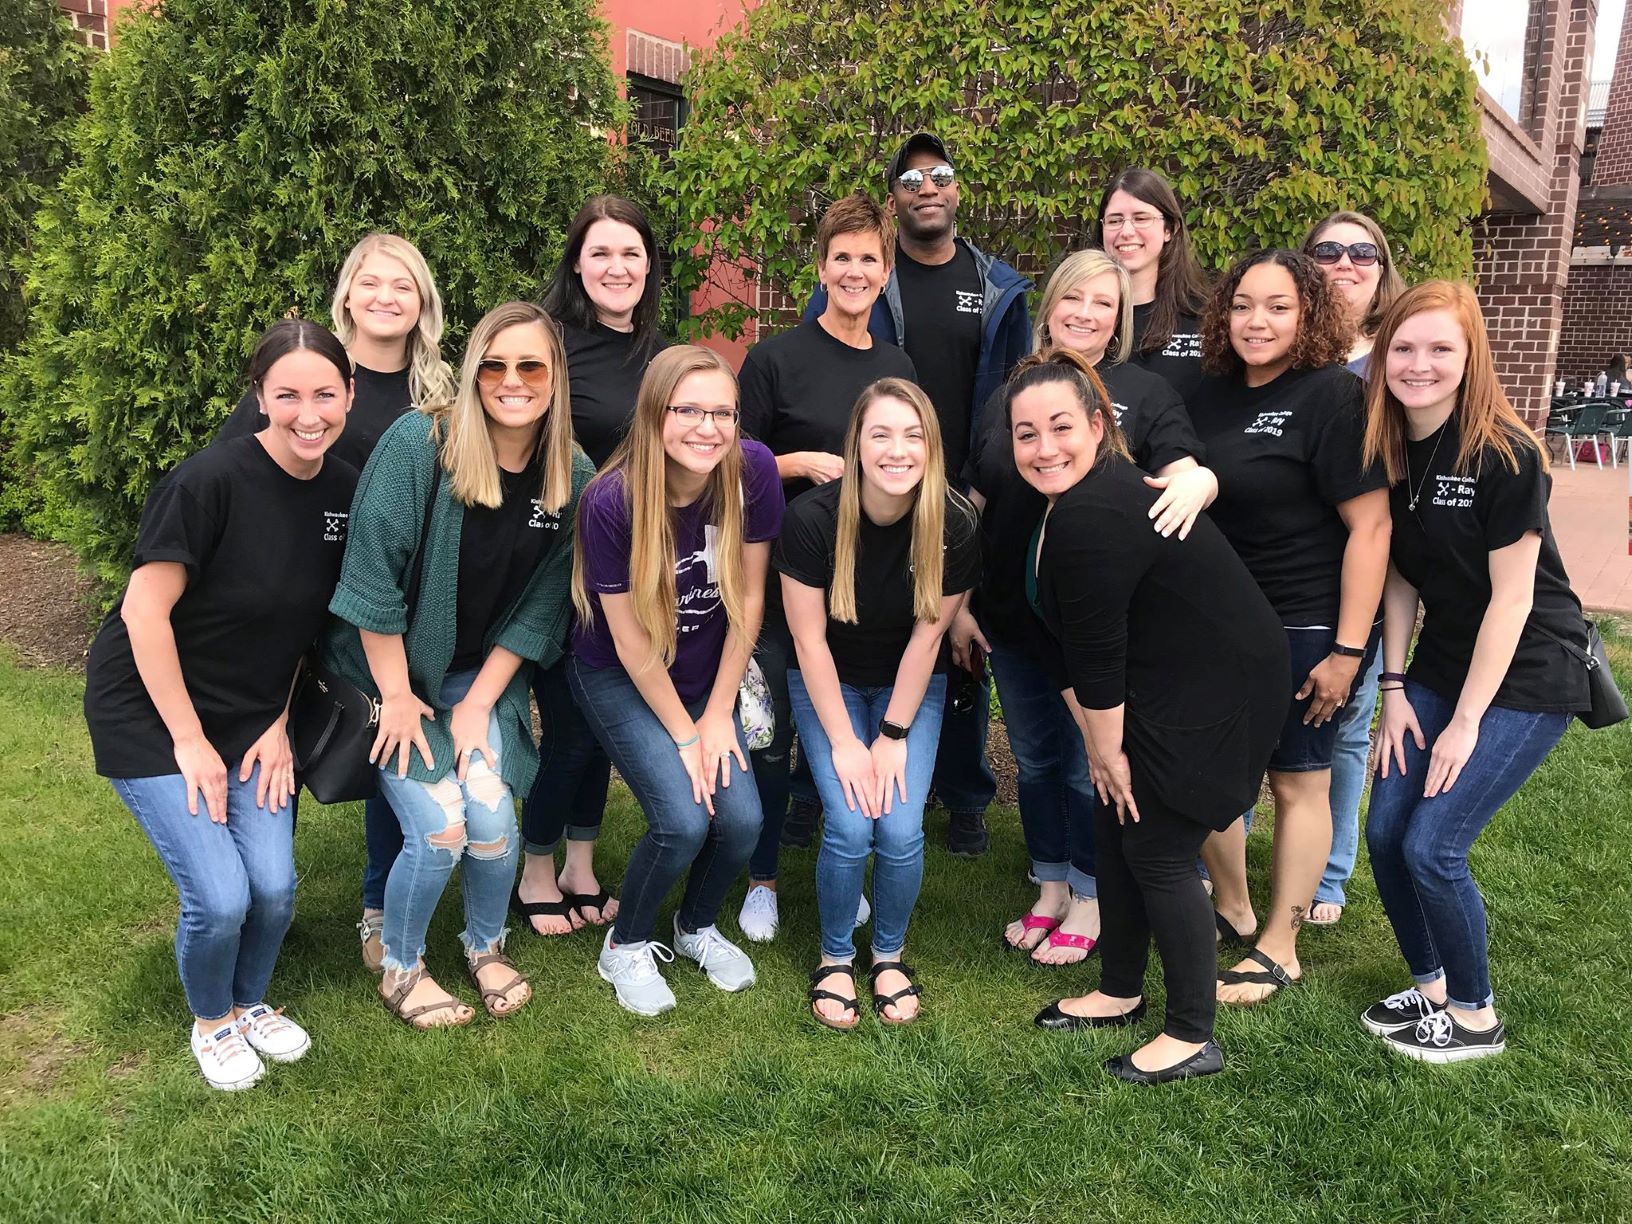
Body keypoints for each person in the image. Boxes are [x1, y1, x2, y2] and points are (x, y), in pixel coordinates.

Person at [84, 320, 360, 1089]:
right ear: (261, 399)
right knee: (220, 895)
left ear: (350, 396)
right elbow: (144, 614)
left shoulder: (344, 489)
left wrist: (276, 722)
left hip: (251, 715)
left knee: (273, 888)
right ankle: (212, 1022)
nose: (309, 413)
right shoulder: (208, 482)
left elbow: (308, 626)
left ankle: (250, 1001)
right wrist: (188, 741)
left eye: (325, 394)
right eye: (288, 395)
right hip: (151, 710)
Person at [1014, 349, 1289, 1083]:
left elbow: (1098, 656)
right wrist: (1105, 750)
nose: (1045, 448)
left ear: (1100, 426)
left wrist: (1107, 753)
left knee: (1160, 849)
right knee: (1116, 831)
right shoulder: (1072, 502)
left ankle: (1193, 1035)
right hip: (1171, 676)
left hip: (1219, 689)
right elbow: (1072, 644)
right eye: (1026, 434)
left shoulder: (1095, 511)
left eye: (1061, 427)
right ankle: (1119, 989)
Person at [323, 301, 593, 1029]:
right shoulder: (421, 444)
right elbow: (371, 579)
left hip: (479, 679)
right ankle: (402, 967)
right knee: (441, 826)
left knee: (494, 817)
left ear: (556, 376)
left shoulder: (572, 471)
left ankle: (485, 946)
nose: (512, 381)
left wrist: (479, 704)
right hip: (386, 675)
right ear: (473, 372)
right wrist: (399, 697)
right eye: (495, 365)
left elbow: (542, 607)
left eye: (531, 365)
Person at [959, 249, 1217, 965]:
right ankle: (1048, 882)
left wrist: (1200, 483)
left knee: (1086, 762)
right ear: (1052, 307)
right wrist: (958, 604)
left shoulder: (1144, 390)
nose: (1085, 314)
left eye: (1104, 303)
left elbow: (1182, 470)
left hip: (1095, 622)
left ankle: (1094, 889)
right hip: (1013, 618)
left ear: (1120, 320)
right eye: (1074, 298)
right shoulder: (1012, 390)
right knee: (1037, 759)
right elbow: (977, 501)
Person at [217, 233, 457, 975]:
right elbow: (236, 477)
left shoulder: (441, 399)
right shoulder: (309, 376)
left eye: (404, 286)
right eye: (371, 283)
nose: (386, 298)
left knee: (391, 735)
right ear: (346, 293)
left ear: (423, 304)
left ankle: (378, 910)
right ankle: (263, 899)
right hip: (293, 598)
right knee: (273, 744)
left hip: (384, 612)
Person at [1361, 281, 1589, 1061]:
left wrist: (1463, 725)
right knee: (1386, 831)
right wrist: (1393, 688)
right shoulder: (1389, 447)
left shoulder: (1507, 453)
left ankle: (1475, 1017)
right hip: (1440, 664)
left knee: (1434, 846)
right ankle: (1430, 989)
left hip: (1527, 668)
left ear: (1470, 359)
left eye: (1440, 349)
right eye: (1404, 347)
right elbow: (1397, 580)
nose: (1418, 365)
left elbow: (1513, 601)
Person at [806, 132, 1031, 856]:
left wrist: (982, 485)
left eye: (941, 175)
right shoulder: (869, 275)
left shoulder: (995, 285)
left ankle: (963, 794)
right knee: (868, 631)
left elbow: (1013, 391)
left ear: (957, 189)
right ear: (895, 198)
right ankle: (833, 786)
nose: (927, 187)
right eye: (911, 179)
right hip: (878, 486)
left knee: (959, 645)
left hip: (966, 494)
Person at [1189, 250, 1392, 1005]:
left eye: (1277, 306)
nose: (1257, 321)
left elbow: (1371, 530)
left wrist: (1348, 649)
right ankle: (1237, 907)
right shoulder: (1210, 396)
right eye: (1243, 305)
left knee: (1297, 780)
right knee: (1207, 776)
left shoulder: (1333, 397)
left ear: (1309, 313)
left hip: (1306, 621)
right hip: (1217, 621)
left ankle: (1282, 945)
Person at [570, 345, 784, 1016]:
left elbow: (748, 601)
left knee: (743, 822)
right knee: (683, 822)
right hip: (621, 676)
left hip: (705, 674)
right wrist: (686, 738)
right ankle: (625, 944)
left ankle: (694, 926)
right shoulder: (612, 500)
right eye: (688, 409)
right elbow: (632, 644)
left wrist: (717, 715)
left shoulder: (752, 470)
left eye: (722, 411)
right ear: (654, 414)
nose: (707, 426)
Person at [736, 193, 917, 943]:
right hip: (786, 581)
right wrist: (790, 462)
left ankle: (847, 868)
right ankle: (763, 877)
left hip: (870, 590)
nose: (853, 270)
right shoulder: (775, 359)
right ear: (820, 268)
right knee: (774, 736)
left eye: (867, 259)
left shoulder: (899, 365)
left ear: (884, 272)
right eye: (839, 257)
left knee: (846, 727)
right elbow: (726, 466)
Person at [780, 379, 980, 1029]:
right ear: (857, 445)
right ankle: (835, 958)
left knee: (896, 829)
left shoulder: (952, 523)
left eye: (913, 435)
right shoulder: (812, 519)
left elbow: (929, 640)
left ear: (932, 446)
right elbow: (809, 643)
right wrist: (845, 743)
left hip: (908, 689)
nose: (898, 450)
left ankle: (888, 955)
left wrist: (891, 736)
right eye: (881, 434)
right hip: (828, 683)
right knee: (846, 821)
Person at [513, 196, 671, 938]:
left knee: (600, 724)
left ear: (649, 266)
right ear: (578, 262)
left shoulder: (657, 353)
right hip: (552, 568)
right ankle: (535, 867)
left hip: (627, 571)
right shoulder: (549, 345)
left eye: (631, 253)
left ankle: (580, 860)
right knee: (572, 729)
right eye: (601, 253)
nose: (617, 267)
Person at [1299, 210, 1407, 927]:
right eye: (1328, 250)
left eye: (1362, 252)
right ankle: (1240, 851)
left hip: (1363, 566)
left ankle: (1330, 878)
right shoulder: (1290, 350)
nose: (1346, 262)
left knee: (1341, 728)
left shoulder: (1396, 360)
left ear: (1382, 267)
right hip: (1285, 568)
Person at [1096, 168, 1211, 406]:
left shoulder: (1205, 317)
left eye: (1141, 218)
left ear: (1170, 229)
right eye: (1115, 220)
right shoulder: (1081, 317)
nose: (1126, 232)